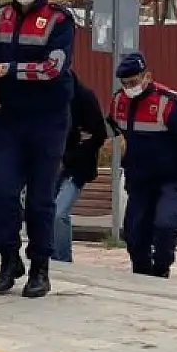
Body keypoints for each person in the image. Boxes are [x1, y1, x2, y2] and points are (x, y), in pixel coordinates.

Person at [0, 0, 75, 298]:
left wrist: (6, 70)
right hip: (9, 118)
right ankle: (9, 259)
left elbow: (52, 68)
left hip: (47, 121)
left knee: (40, 200)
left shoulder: (59, 20)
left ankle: (40, 269)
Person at [107, 52, 177, 278]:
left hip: (172, 178)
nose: (129, 88)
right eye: (125, 84)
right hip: (139, 180)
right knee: (134, 233)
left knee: (165, 224)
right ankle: (143, 274)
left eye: (133, 82)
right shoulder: (119, 102)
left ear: (147, 77)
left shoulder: (170, 103)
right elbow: (112, 128)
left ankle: (161, 269)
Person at [51, 73, 108, 262]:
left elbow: (99, 134)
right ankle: (49, 254)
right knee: (46, 211)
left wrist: (73, 153)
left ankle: (63, 260)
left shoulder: (84, 97)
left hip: (76, 167)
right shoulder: (49, 96)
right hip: (51, 163)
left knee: (59, 213)